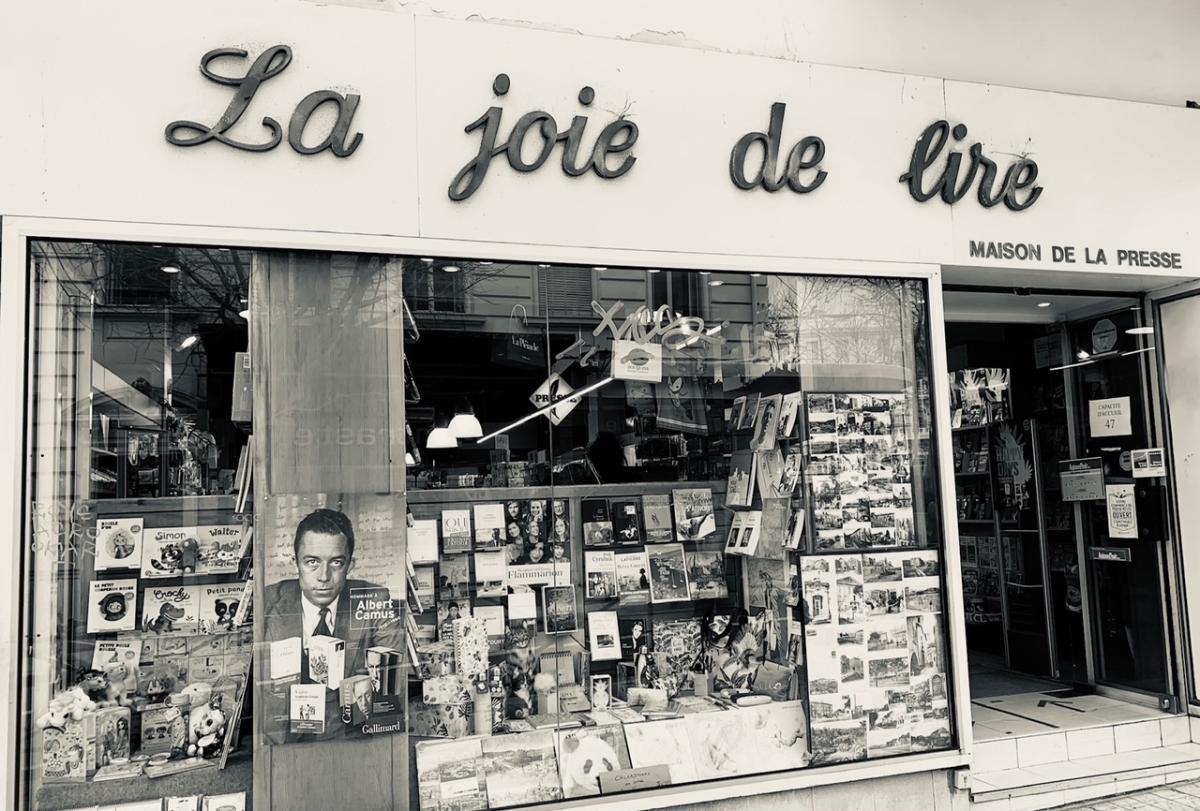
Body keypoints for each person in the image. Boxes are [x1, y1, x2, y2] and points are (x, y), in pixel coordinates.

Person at [262, 508, 403, 743]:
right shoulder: (268, 602)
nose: (324, 576)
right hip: (284, 745)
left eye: (336, 563)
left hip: (352, 741)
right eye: (311, 562)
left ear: (351, 564)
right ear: (294, 563)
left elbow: (389, 690)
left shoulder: (374, 599)